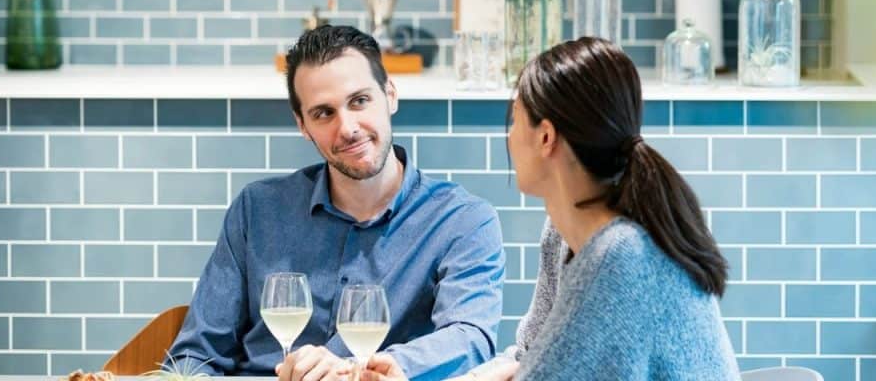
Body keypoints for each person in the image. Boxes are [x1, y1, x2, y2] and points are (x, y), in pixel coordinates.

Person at [356, 37, 739, 381]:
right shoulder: (565, 234)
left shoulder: (620, 255)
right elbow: (528, 357)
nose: (508, 137)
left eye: (514, 120)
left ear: (545, 137)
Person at [166, 25, 506, 380]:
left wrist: (375, 368)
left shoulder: (462, 221)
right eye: (324, 113)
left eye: (359, 101)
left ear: (390, 95)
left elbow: (470, 338)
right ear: (303, 125)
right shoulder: (257, 210)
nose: (347, 128)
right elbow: (196, 354)